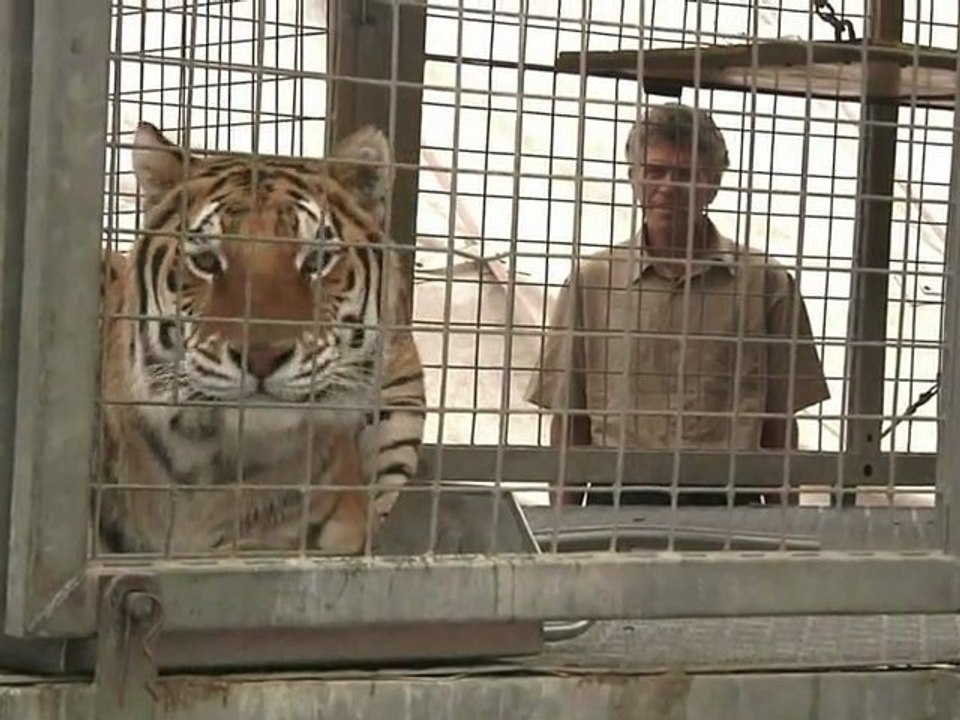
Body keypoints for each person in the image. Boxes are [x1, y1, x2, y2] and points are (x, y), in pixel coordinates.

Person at [524, 102, 830, 507]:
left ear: (713, 183)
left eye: (685, 174)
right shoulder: (592, 283)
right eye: (654, 171)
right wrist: (561, 531)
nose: (668, 186)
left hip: (729, 506)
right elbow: (569, 419)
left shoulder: (767, 284)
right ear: (633, 178)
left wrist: (784, 533)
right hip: (617, 502)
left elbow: (780, 425)